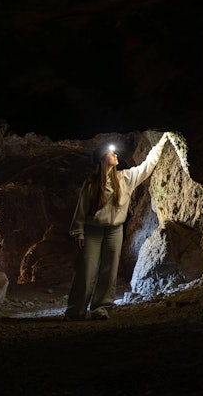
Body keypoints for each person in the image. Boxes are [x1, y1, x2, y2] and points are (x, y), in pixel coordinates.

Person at [64, 132, 173, 321]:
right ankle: (75, 311)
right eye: (111, 153)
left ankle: (101, 308)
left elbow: (147, 166)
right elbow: (80, 210)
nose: (115, 156)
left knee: (109, 269)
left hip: (115, 230)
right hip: (93, 231)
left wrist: (161, 142)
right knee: (86, 270)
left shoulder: (125, 178)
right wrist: (79, 232)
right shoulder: (91, 185)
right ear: (102, 159)